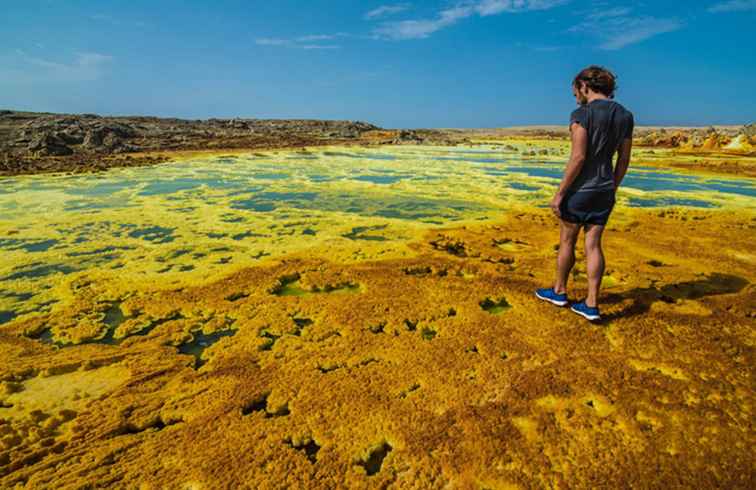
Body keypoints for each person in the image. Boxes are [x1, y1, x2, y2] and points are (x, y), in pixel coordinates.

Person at [535, 65, 634, 322]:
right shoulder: (625, 115)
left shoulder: (582, 114)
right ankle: (591, 303)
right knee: (593, 245)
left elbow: (578, 157)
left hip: (580, 189)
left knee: (567, 241)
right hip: (604, 190)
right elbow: (624, 159)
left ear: (584, 86)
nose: (575, 95)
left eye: (575, 90)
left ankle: (559, 291)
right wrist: (612, 186)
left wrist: (559, 194)